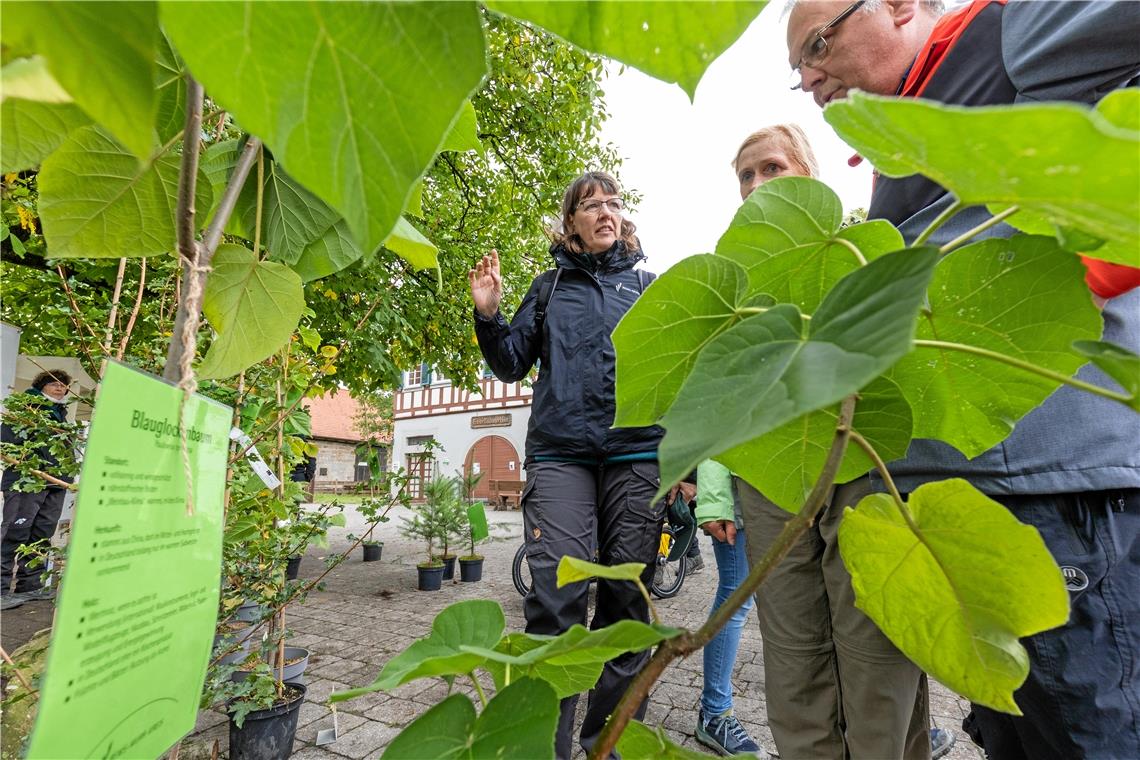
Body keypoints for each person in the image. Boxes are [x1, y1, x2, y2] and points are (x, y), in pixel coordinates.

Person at [786, 1, 1140, 757]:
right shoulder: (903, 132)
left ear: (899, 6)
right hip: (979, 511)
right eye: (797, 72)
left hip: (1057, 500)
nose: (810, 76)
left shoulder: (1007, 34)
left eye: (819, 44)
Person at [699, 124, 954, 759]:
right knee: (792, 656)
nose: (757, 184)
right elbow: (712, 391)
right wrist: (713, 490)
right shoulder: (735, 272)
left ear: (809, 175)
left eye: (771, 168)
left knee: (874, 647)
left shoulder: (859, 247)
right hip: (772, 475)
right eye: (745, 175)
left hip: (860, 460)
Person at [470, 171, 667, 759]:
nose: (605, 213)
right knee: (556, 597)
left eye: (613, 203)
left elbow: (675, 376)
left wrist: (685, 462)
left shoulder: (648, 287)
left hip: (636, 455)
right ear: (571, 222)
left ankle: (605, 743)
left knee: (629, 603)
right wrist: (488, 315)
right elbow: (509, 363)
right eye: (590, 206)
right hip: (560, 456)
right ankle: (544, 747)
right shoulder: (550, 287)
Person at [1, 370, 75, 610]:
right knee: (15, 532)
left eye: (63, 385)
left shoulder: (60, 414)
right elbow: (8, 440)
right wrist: (33, 468)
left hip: (55, 483)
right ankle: (0, 590)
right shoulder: (28, 407)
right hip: (27, 481)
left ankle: (30, 585)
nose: (60, 388)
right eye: (54, 384)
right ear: (41, 385)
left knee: (42, 533)